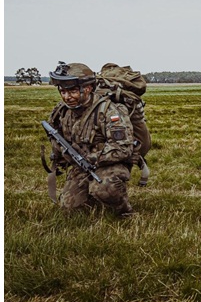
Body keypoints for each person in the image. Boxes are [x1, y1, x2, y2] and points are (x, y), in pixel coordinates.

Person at [46, 62, 135, 217]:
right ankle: (92, 197)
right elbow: (57, 137)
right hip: (82, 165)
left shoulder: (109, 110)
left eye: (72, 91)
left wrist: (91, 158)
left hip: (111, 164)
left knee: (104, 188)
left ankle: (124, 211)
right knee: (69, 207)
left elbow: (123, 149)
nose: (67, 97)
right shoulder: (62, 111)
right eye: (63, 92)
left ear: (87, 89)